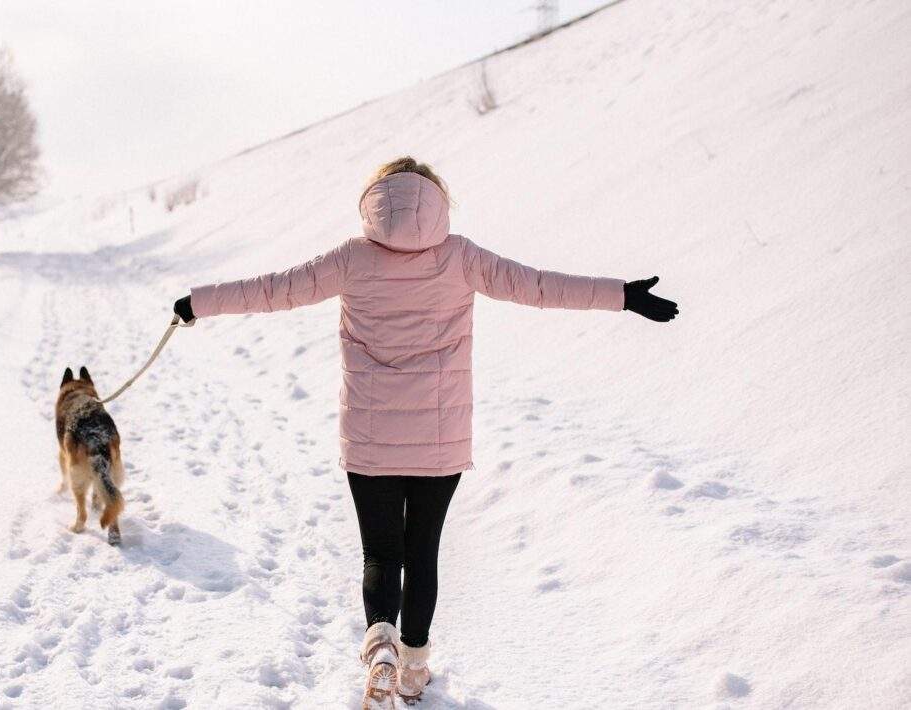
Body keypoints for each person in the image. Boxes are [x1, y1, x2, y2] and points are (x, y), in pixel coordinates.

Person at [172, 157, 677, 708]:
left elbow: (272, 290)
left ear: (376, 201)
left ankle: (380, 645)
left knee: (380, 555)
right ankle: (413, 669)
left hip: (370, 439)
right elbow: (538, 286)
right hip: (440, 440)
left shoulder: (351, 258)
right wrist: (622, 294)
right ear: (437, 201)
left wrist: (197, 304)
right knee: (422, 553)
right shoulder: (461, 257)